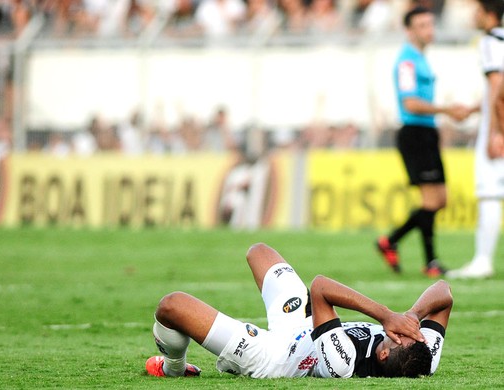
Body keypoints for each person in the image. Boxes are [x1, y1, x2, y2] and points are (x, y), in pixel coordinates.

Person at [145, 243, 452, 379]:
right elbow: (444, 292)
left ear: (384, 354)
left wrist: (386, 316)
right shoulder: (423, 357)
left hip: (275, 356)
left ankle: (176, 368)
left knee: (172, 306)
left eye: (401, 335)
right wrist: (412, 314)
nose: (406, 332)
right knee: (259, 252)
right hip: (303, 323)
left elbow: (319, 287)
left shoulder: (343, 364)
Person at [376, 6, 471, 278]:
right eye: (422, 26)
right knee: (432, 199)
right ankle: (430, 261)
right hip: (415, 132)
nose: (429, 30)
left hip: (427, 132)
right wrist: (447, 111)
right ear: (409, 31)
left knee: (439, 199)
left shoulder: (421, 58)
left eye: (430, 24)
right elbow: (410, 102)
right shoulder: (407, 61)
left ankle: (391, 241)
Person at [447, 0, 504, 279]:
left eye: (477, 9)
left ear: (488, 13)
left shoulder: (490, 41)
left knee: (490, 192)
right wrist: (473, 108)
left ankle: (483, 260)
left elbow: (497, 84)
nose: (474, 14)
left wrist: (495, 131)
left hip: (498, 126)